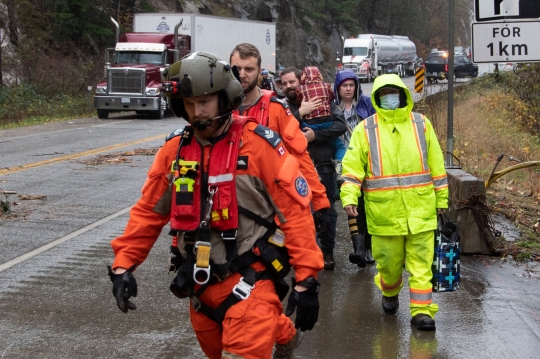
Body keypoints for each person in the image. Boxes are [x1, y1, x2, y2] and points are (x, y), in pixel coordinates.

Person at [107, 52, 324, 359]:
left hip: (252, 279)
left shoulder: (260, 145)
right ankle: (284, 334)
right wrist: (123, 265)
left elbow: (295, 214)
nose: (197, 112)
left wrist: (307, 279)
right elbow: (149, 213)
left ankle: (272, 324)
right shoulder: (174, 151)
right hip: (200, 289)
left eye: (205, 102)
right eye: (190, 103)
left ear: (225, 99)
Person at [340, 74, 448, 331]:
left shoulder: (422, 124)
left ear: (402, 94)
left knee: (422, 263)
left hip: (420, 210)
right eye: (385, 93)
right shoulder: (365, 129)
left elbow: (437, 164)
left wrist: (442, 198)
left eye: (394, 92)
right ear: (377, 97)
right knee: (388, 263)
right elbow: (352, 168)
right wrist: (349, 197)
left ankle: (422, 311)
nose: (390, 97)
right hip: (385, 214)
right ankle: (389, 292)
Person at [229, 43, 336, 270]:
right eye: (236, 68)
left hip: (268, 207)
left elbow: (300, 156)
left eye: (249, 69)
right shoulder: (221, 108)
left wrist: (320, 202)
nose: (242, 74)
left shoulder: (276, 109)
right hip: (229, 205)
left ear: (259, 72)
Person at [280, 66, 347, 270]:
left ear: (302, 82)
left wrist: (315, 135)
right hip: (295, 170)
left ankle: (327, 251)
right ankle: (304, 253)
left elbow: (341, 125)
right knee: (298, 214)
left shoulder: (323, 101)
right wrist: (300, 113)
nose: (288, 87)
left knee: (327, 211)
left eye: (292, 82)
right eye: (284, 84)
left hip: (324, 166)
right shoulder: (282, 107)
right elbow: (280, 133)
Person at [333, 69, 376, 267]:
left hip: (367, 159)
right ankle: (358, 249)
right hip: (344, 161)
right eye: (345, 86)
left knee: (368, 206)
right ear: (338, 88)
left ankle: (368, 248)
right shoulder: (333, 107)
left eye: (351, 85)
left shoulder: (366, 103)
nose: (348, 89)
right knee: (352, 204)